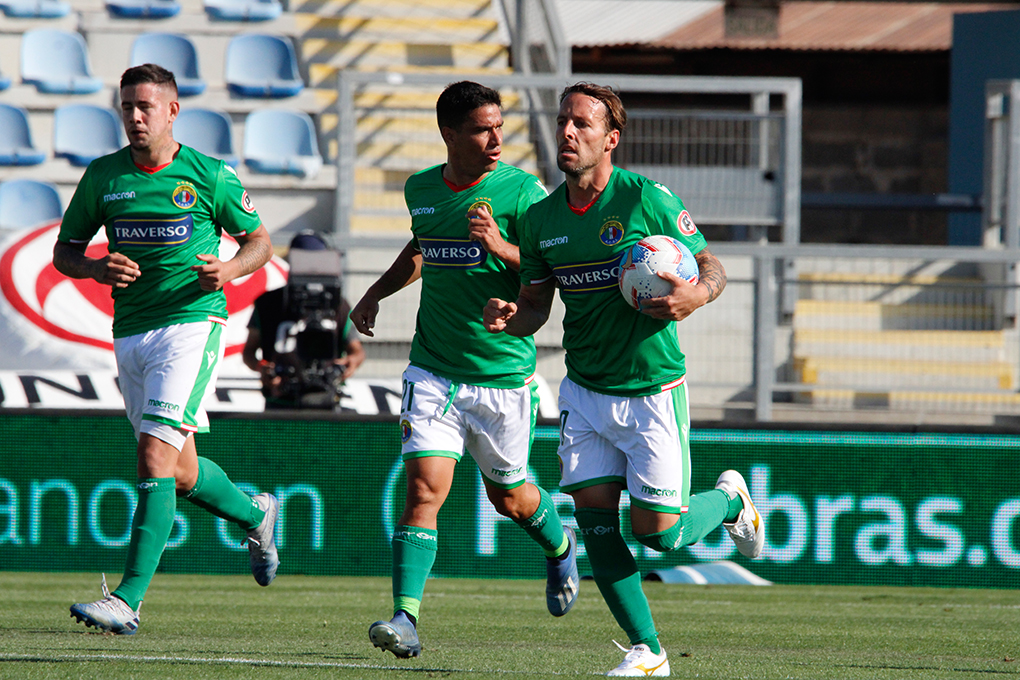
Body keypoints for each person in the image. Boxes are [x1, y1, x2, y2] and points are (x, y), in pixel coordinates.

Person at [483, 82, 765, 678]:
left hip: (651, 390)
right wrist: (515, 319)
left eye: (581, 124)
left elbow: (710, 265)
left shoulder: (647, 200)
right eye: (562, 121)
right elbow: (536, 303)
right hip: (584, 392)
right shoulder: (540, 219)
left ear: (610, 138)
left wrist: (695, 294)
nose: (567, 132)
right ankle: (649, 652)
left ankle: (732, 500)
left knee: (659, 536)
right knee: (595, 523)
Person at [350, 80, 579, 659]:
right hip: (432, 370)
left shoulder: (523, 193)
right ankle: (406, 618)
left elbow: (553, 266)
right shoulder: (421, 189)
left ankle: (559, 548)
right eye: (483, 128)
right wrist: (376, 292)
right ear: (450, 133)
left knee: (511, 500)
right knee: (424, 490)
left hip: (502, 376)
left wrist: (502, 248)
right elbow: (422, 247)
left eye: (500, 125)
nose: (497, 137)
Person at [53, 63, 279, 635]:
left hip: (191, 325)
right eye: (126, 106)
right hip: (131, 331)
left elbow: (259, 241)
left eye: (145, 106)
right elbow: (65, 252)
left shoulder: (208, 175)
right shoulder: (103, 177)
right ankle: (257, 514)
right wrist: (96, 267)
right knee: (179, 472)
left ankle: (127, 600)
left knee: (153, 458)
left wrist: (227, 269)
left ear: (172, 110)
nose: (134, 116)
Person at [243, 230, 365, 410]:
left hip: (325, 397)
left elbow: (357, 351)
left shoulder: (337, 304)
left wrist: (350, 363)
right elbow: (249, 351)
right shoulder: (268, 303)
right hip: (280, 399)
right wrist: (263, 369)